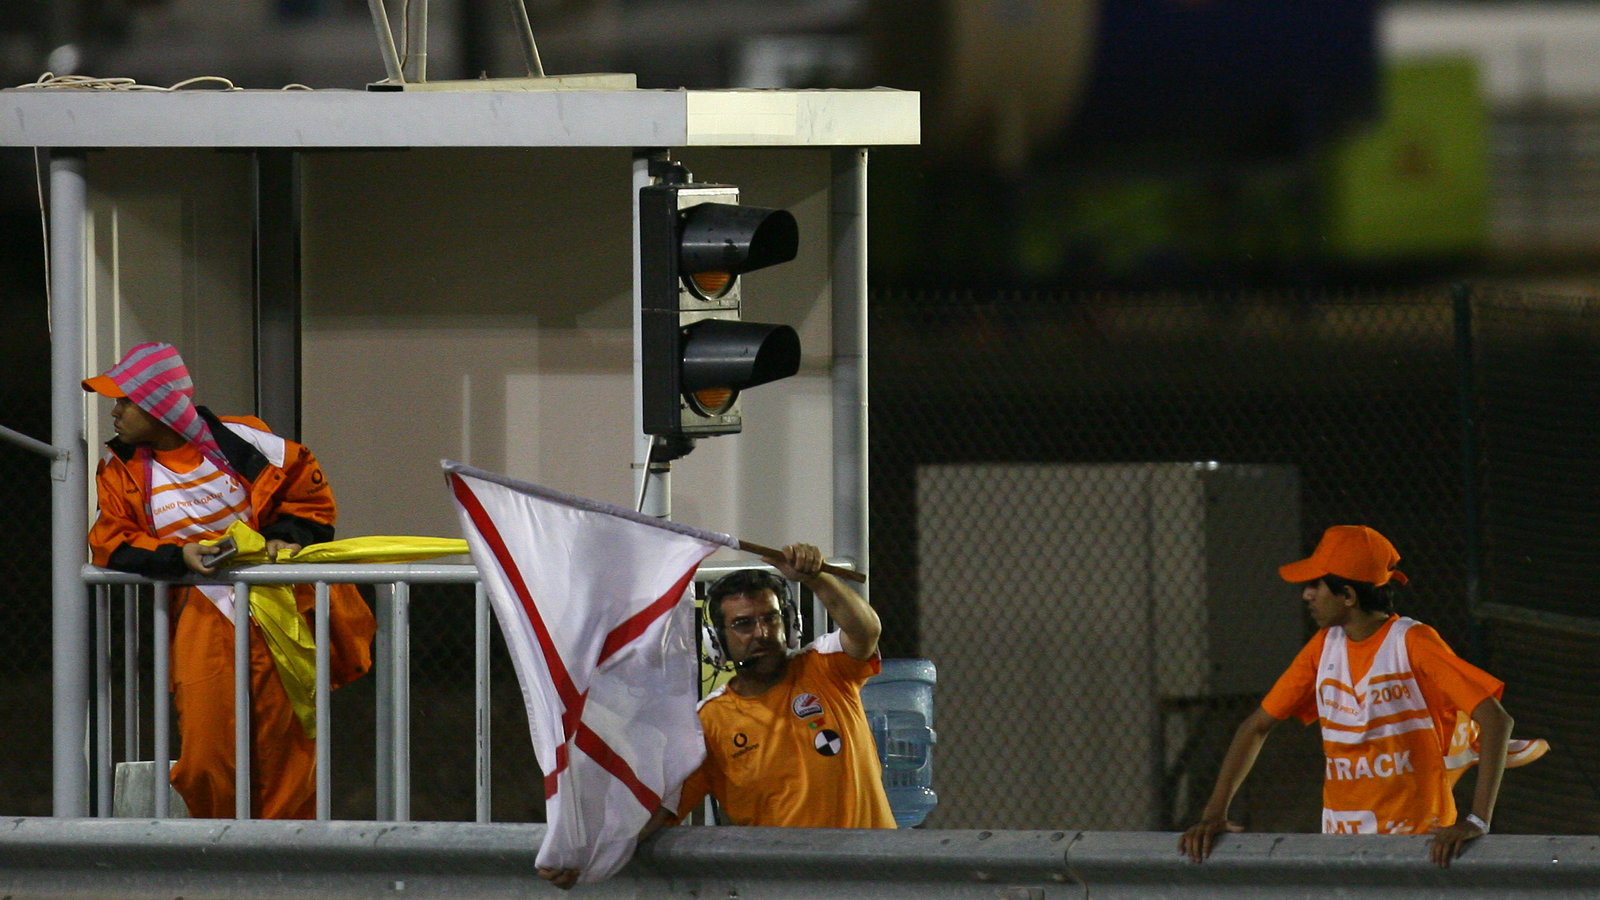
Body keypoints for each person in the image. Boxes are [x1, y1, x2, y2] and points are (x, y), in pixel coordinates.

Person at [84, 341, 376, 819]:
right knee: (204, 760)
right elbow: (109, 542)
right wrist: (179, 556)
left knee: (286, 755)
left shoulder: (248, 440)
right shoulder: (120, 470)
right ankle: (223, 861)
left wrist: (286, 537)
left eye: (124, 400)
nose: (114, 412)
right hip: (204, 615)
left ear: (159, 406)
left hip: (281, 611)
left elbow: (310, 503)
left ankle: (285, 869)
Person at [1179, 525, 1539, 868]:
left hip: (1418, 848)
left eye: (1316, 586)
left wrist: (1477, 820)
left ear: (1348, 595)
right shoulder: (1324, 648)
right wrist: (1214, 814)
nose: (1307, 594)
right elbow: (1255, 726)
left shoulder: (1412, 643)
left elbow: (1497, 720)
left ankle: (1459, 745)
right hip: (1339, 847)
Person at [538, 543, 893, 889]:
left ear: (789, 623)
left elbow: (866, 630)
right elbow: (657, 814)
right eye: (743, 624)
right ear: (716, 641)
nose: (762, 633)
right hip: (786, 887)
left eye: (770, 618)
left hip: (876, 876)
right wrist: (582, 857)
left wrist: (816, 579)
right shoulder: (705, 725)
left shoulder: (826, 667)